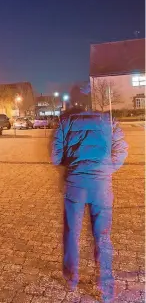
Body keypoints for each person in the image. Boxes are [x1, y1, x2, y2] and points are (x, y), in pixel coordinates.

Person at [51, 107, 128, 302]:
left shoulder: (65, 121)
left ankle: (71, 278)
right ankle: (105, 287)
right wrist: (106, 169)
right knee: (102, 236)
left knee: (71, 233)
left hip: (75, 185)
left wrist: (70, 164)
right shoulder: (108, 120)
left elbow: (55, 156)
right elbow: (121, 150)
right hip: (101, 187)